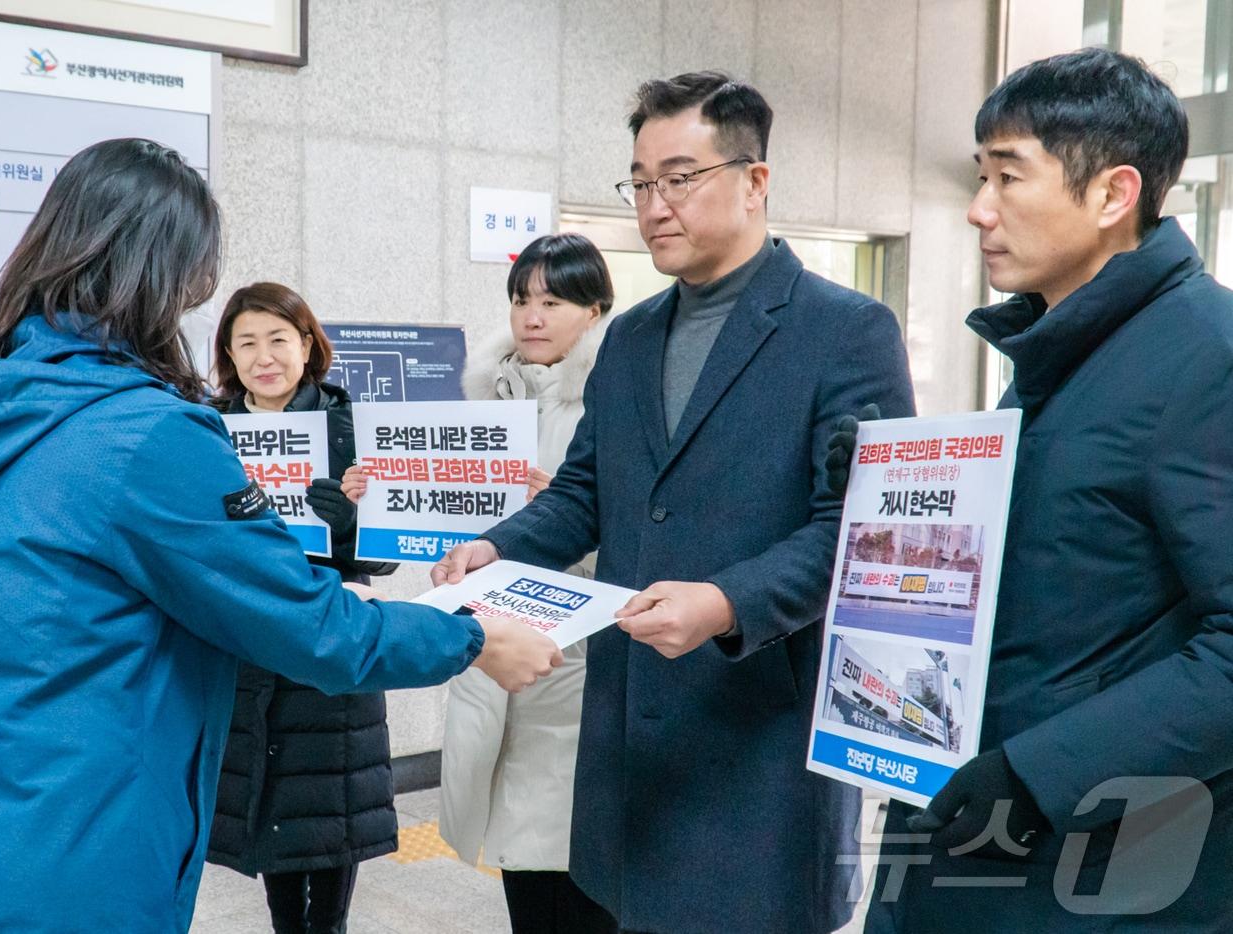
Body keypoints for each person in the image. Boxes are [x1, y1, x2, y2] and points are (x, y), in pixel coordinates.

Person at [0, 137, 562, 934]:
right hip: (72, 851)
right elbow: (311, 625)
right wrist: (469, 639)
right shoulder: (145, 436)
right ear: (168, 275)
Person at [431, 73, 915, 933]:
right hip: (627, 742)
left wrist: (730, 601)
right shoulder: (630, 335)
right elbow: (586, 490)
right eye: (641, 181)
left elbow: (860, 530)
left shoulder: (845, 329)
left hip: (757, 739)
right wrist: (498, 550)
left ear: (755, 180)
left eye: (680, 177)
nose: (655, 205)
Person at [857, 48, 1233, 934]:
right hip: (989, 834)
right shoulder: (1064, 347)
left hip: (1096, 864)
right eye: (980, 175)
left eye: (1008, 177)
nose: (979, 209)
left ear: (1113, 195)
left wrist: (1039, 774)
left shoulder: (1206, 357)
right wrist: (891, 492)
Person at [204, 282, 402, 934]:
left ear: (308, 345)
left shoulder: (351, 428)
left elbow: (385, 556)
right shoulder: (206, 434)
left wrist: (348, 527)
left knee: (331, 817)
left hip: (328, 646)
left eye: (279, 339)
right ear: (228, 357)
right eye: (247, 343)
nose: (265, 357)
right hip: (247, 654)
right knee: (270, 818)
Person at [441, 233, 616, 933]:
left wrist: (564, 515)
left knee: (576, 870)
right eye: (520, 300)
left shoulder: (610, 409)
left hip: (573, 666)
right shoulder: (484, 406)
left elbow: (641, 539)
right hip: (491, 652)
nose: (531, 317)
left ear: (596, 311)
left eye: (553, 300)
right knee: (519, 864)